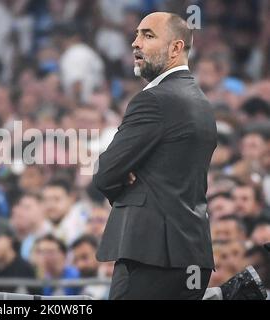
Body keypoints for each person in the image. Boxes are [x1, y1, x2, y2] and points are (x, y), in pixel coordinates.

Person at [93, 12, 217, 299]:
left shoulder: (155, 100)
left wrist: (128, 182)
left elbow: (106, 172)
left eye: (148, 36)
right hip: (192, 256)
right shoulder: (201, 102)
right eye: (136, 35)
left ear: (176, 48)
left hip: (152, 255)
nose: (136, 43)